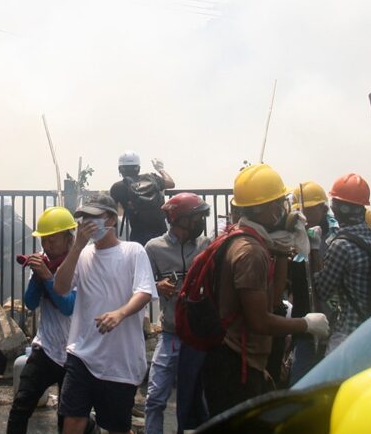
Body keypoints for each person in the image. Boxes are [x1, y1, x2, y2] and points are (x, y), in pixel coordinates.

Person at [202, 165, 329, 416]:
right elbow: (259, 321)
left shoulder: (241, 238)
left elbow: (273, 297)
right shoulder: (251, 252)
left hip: (238, 359)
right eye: (280, 203)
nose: (284, 209)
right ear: (269, 208)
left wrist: (281, 251)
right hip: (236, 364)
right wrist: (306, 324)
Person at [53, 193, 156, 434]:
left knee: (116, 428)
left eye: (93, 217)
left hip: (120, 361)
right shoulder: (82, 255)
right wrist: (77, 246)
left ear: (110, 218)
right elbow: (60, 287)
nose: (87, 223)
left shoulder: (133, 251)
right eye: (83, 218)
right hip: (82, 354)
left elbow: (144, 292)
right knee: (72, 422)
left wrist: (120, 313)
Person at [7, 207, 78, 434]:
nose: (47, 246)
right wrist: (37, 278)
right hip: (46, 347)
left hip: (75, 351)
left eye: (52, 240)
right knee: (21, 405)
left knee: (68, 417)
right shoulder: (43, 261)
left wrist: (48, 277)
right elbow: (30, 303)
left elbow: (68, 307)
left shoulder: (81, 264)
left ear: (69, 238)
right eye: (44, 240)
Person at [144, 193, 211, 434]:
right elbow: (140, 284)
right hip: (171, 333)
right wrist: (156, 286)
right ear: (179, 219)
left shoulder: (206, 244)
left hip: (200, 335)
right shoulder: (153, 248)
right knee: (155, 397)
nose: (201, 222)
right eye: (197, 218)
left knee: (198, 399)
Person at [313, 173, 371, 353]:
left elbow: (322, 290)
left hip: (349, 332)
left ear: (341, 209)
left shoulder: (341, 245)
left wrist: (313, 251)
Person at [287, 181, 338, 384]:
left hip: (330, 320)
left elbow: (324, 283)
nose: (306, 216)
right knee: (300, 381)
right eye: (302, 211)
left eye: (310, 209)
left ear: (323, 208)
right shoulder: (297, 236)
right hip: (304, 318)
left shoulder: (333, 239)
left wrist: (315, 250)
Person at [110, 150, 175, 245]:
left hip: (138, 235)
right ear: (138, 168)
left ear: (120, 169)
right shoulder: (152, 178)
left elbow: (112, 213)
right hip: (161, 233)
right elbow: (171, 183)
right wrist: (160, 169)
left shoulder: (118, 187)